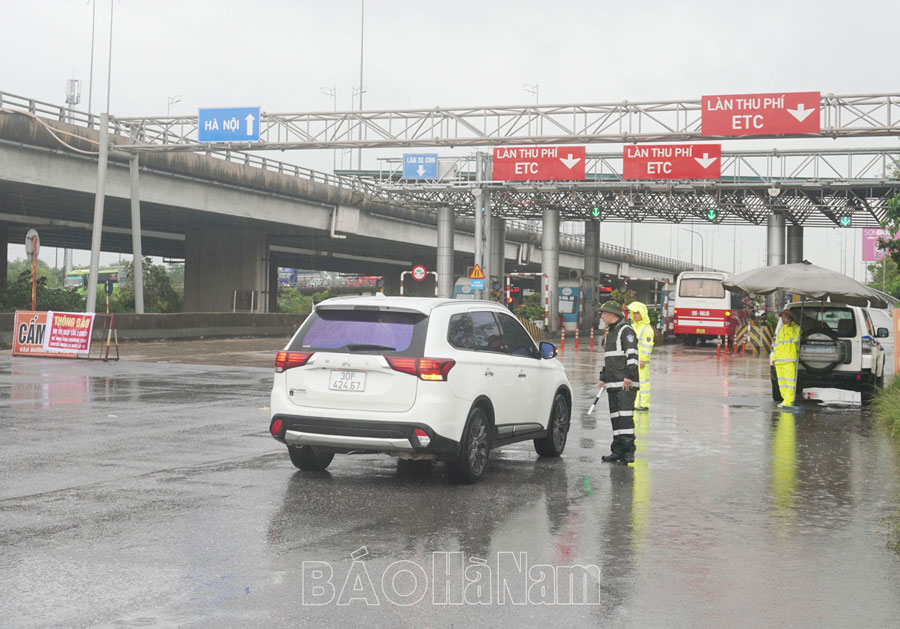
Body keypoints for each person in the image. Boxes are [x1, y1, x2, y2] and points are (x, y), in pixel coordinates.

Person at [597, 301, 640, 463]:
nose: (602, 316)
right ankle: (617, 451)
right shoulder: (610, 332)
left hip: (625, 383)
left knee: (625, 418)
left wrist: (629, 376)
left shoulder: (626, 330)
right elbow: (609, 359)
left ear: (613, 314)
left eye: (604, 313)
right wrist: (603, 377)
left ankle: (628, 452)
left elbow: (633, 355)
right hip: (613, 383)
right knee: (615, 417)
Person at [627, 301, 654, 411]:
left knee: (643, 383)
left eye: (637, 313)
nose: (635, 315)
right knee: (633, 382)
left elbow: (648, 346)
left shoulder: (647, 329)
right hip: (632, 360)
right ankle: (634, 403)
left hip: (641, 361)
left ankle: (644, 404)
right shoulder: (632, 327)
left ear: (642, 313)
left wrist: (643, 359)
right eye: (634, 313)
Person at [772, 306, 801, 408]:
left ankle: (788, 401)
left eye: (784, 317)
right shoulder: (780, 330)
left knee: (789, 383)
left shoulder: (796, 328)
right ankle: (785, 400)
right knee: (782, 383)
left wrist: (789, 328)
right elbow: (777, 345)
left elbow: (795, 340)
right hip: (779, 361)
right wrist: (774, 358)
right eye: (782, 317)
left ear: (790, 318)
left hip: (789, 360)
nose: (782, 319)